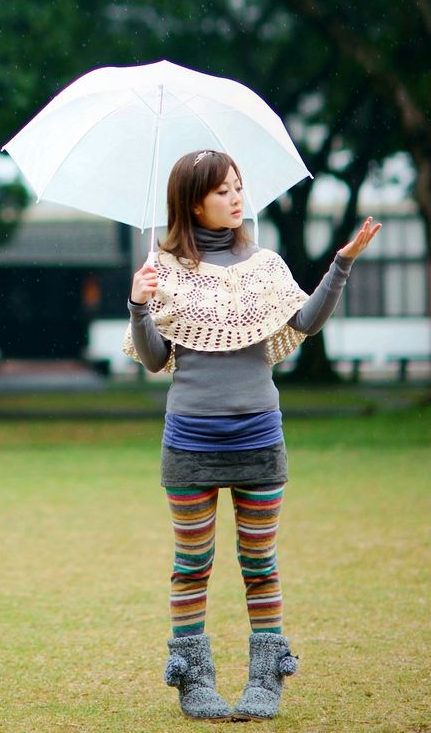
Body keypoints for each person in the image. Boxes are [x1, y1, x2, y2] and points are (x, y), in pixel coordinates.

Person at [124, 149, 380, 721]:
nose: (237, 198)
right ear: (193, 202)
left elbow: (305, 322)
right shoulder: (160, 270)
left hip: (259, 437)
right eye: (223, 191)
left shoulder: (264, 265)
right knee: (192, 563)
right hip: (190, 440)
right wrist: (139, 305)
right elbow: (152, 358)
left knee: (260, 562)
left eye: (240, 187)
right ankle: (195, 680)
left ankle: (267, 676)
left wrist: (340, 264)